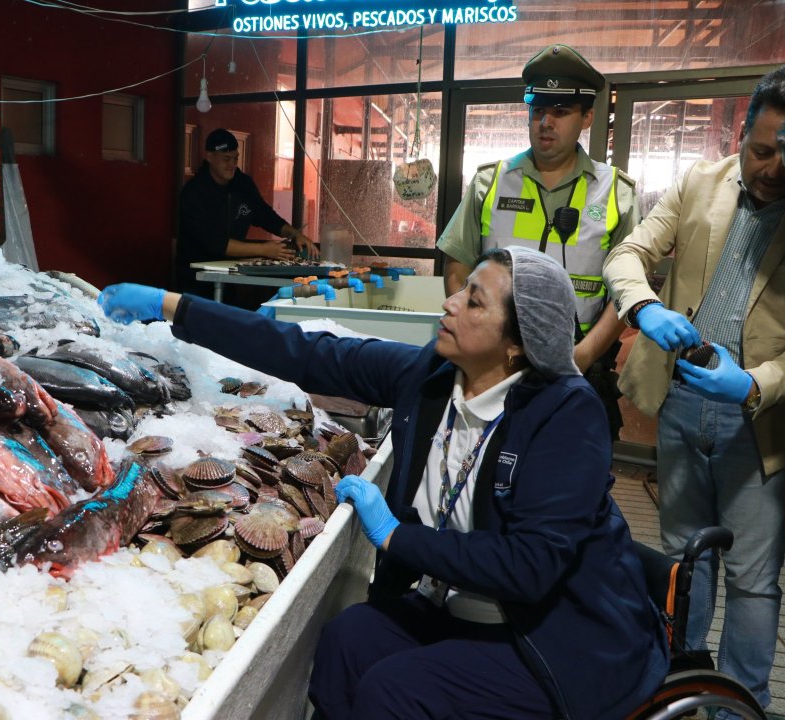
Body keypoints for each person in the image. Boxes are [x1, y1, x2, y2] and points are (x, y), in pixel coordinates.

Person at [98, 246, 668, 719]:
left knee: (393, 691)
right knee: (349, 640)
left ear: (519, 343)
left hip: (555, 640)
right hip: (463, 611)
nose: (449, 302)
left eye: (473, 300)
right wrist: (171, 305)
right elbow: (304, 352)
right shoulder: (433, 378)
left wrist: (396, 537)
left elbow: (529, 566)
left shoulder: (566, 416)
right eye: (460, 288)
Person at [602, 66, 785, 718]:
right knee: (685, 560)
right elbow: (627, 254)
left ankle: (741, 708)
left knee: (755, 583)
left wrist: (756, 383)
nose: (774, 166)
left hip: (760, 427)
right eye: (763, 149)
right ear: (741, 134)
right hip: (682, 409)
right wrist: (644, 307)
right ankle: (681, 688)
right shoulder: (698, 184)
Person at [437, 44, 639, 439]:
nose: (546, 122)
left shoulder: (615, 192)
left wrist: (585, 354)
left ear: (587, 116)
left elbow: (625, 292)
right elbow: (458, 262)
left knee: (567, 478)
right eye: (538, 111)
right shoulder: (490, 182)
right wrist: (473, 332)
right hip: (494, 365)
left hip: (578, 363)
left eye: (560, 112)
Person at [176, 128, 318, 299]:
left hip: (229, 275)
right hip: (195, 277)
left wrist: (294, 233)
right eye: (226, 159)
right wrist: (264, 250)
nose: (232, 165)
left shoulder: (242, 184)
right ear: (209, 157)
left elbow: (265, 215)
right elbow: (214, 243)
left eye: (235, 159)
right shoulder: (194, 192)